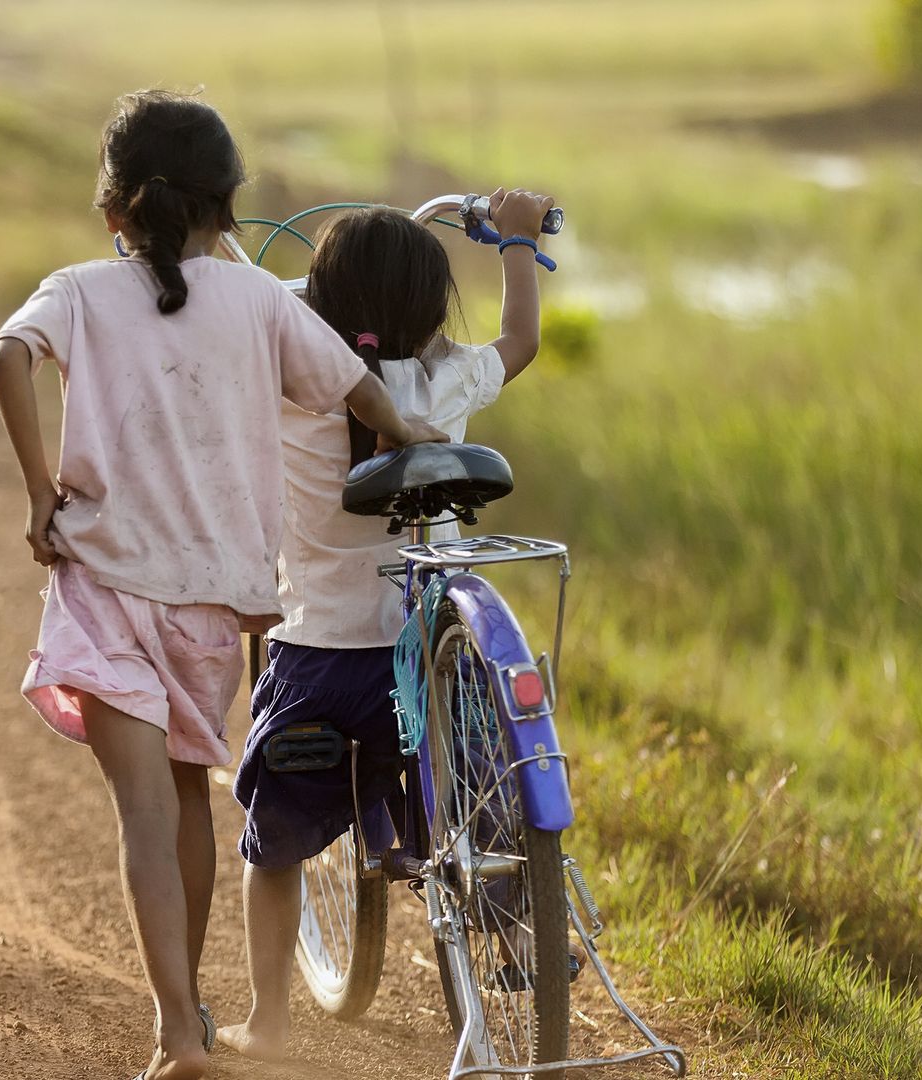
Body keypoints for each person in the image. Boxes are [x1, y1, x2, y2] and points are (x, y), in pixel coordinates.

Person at [0, 90, 449, 1080]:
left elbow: (6, 356)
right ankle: (185, 1018)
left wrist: (38, 493)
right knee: (190, 800)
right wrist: (413, 441)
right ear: (229, 211)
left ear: (113, 212)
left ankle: (177, 1025)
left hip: (104, 585)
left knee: (143, 817)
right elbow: (357, 388)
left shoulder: (73, 290)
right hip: (211, 604)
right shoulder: (262, 303)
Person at [216, 191, 555, 1062]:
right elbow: (522, 339)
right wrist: (515, 240)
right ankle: (521, 939)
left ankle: (270, 1018)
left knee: (276, 837)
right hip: (432, 659)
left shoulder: (296, 375)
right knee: (488, 792)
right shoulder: (451, 377)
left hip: (322, 653)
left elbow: (252, 310)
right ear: (434, 307)